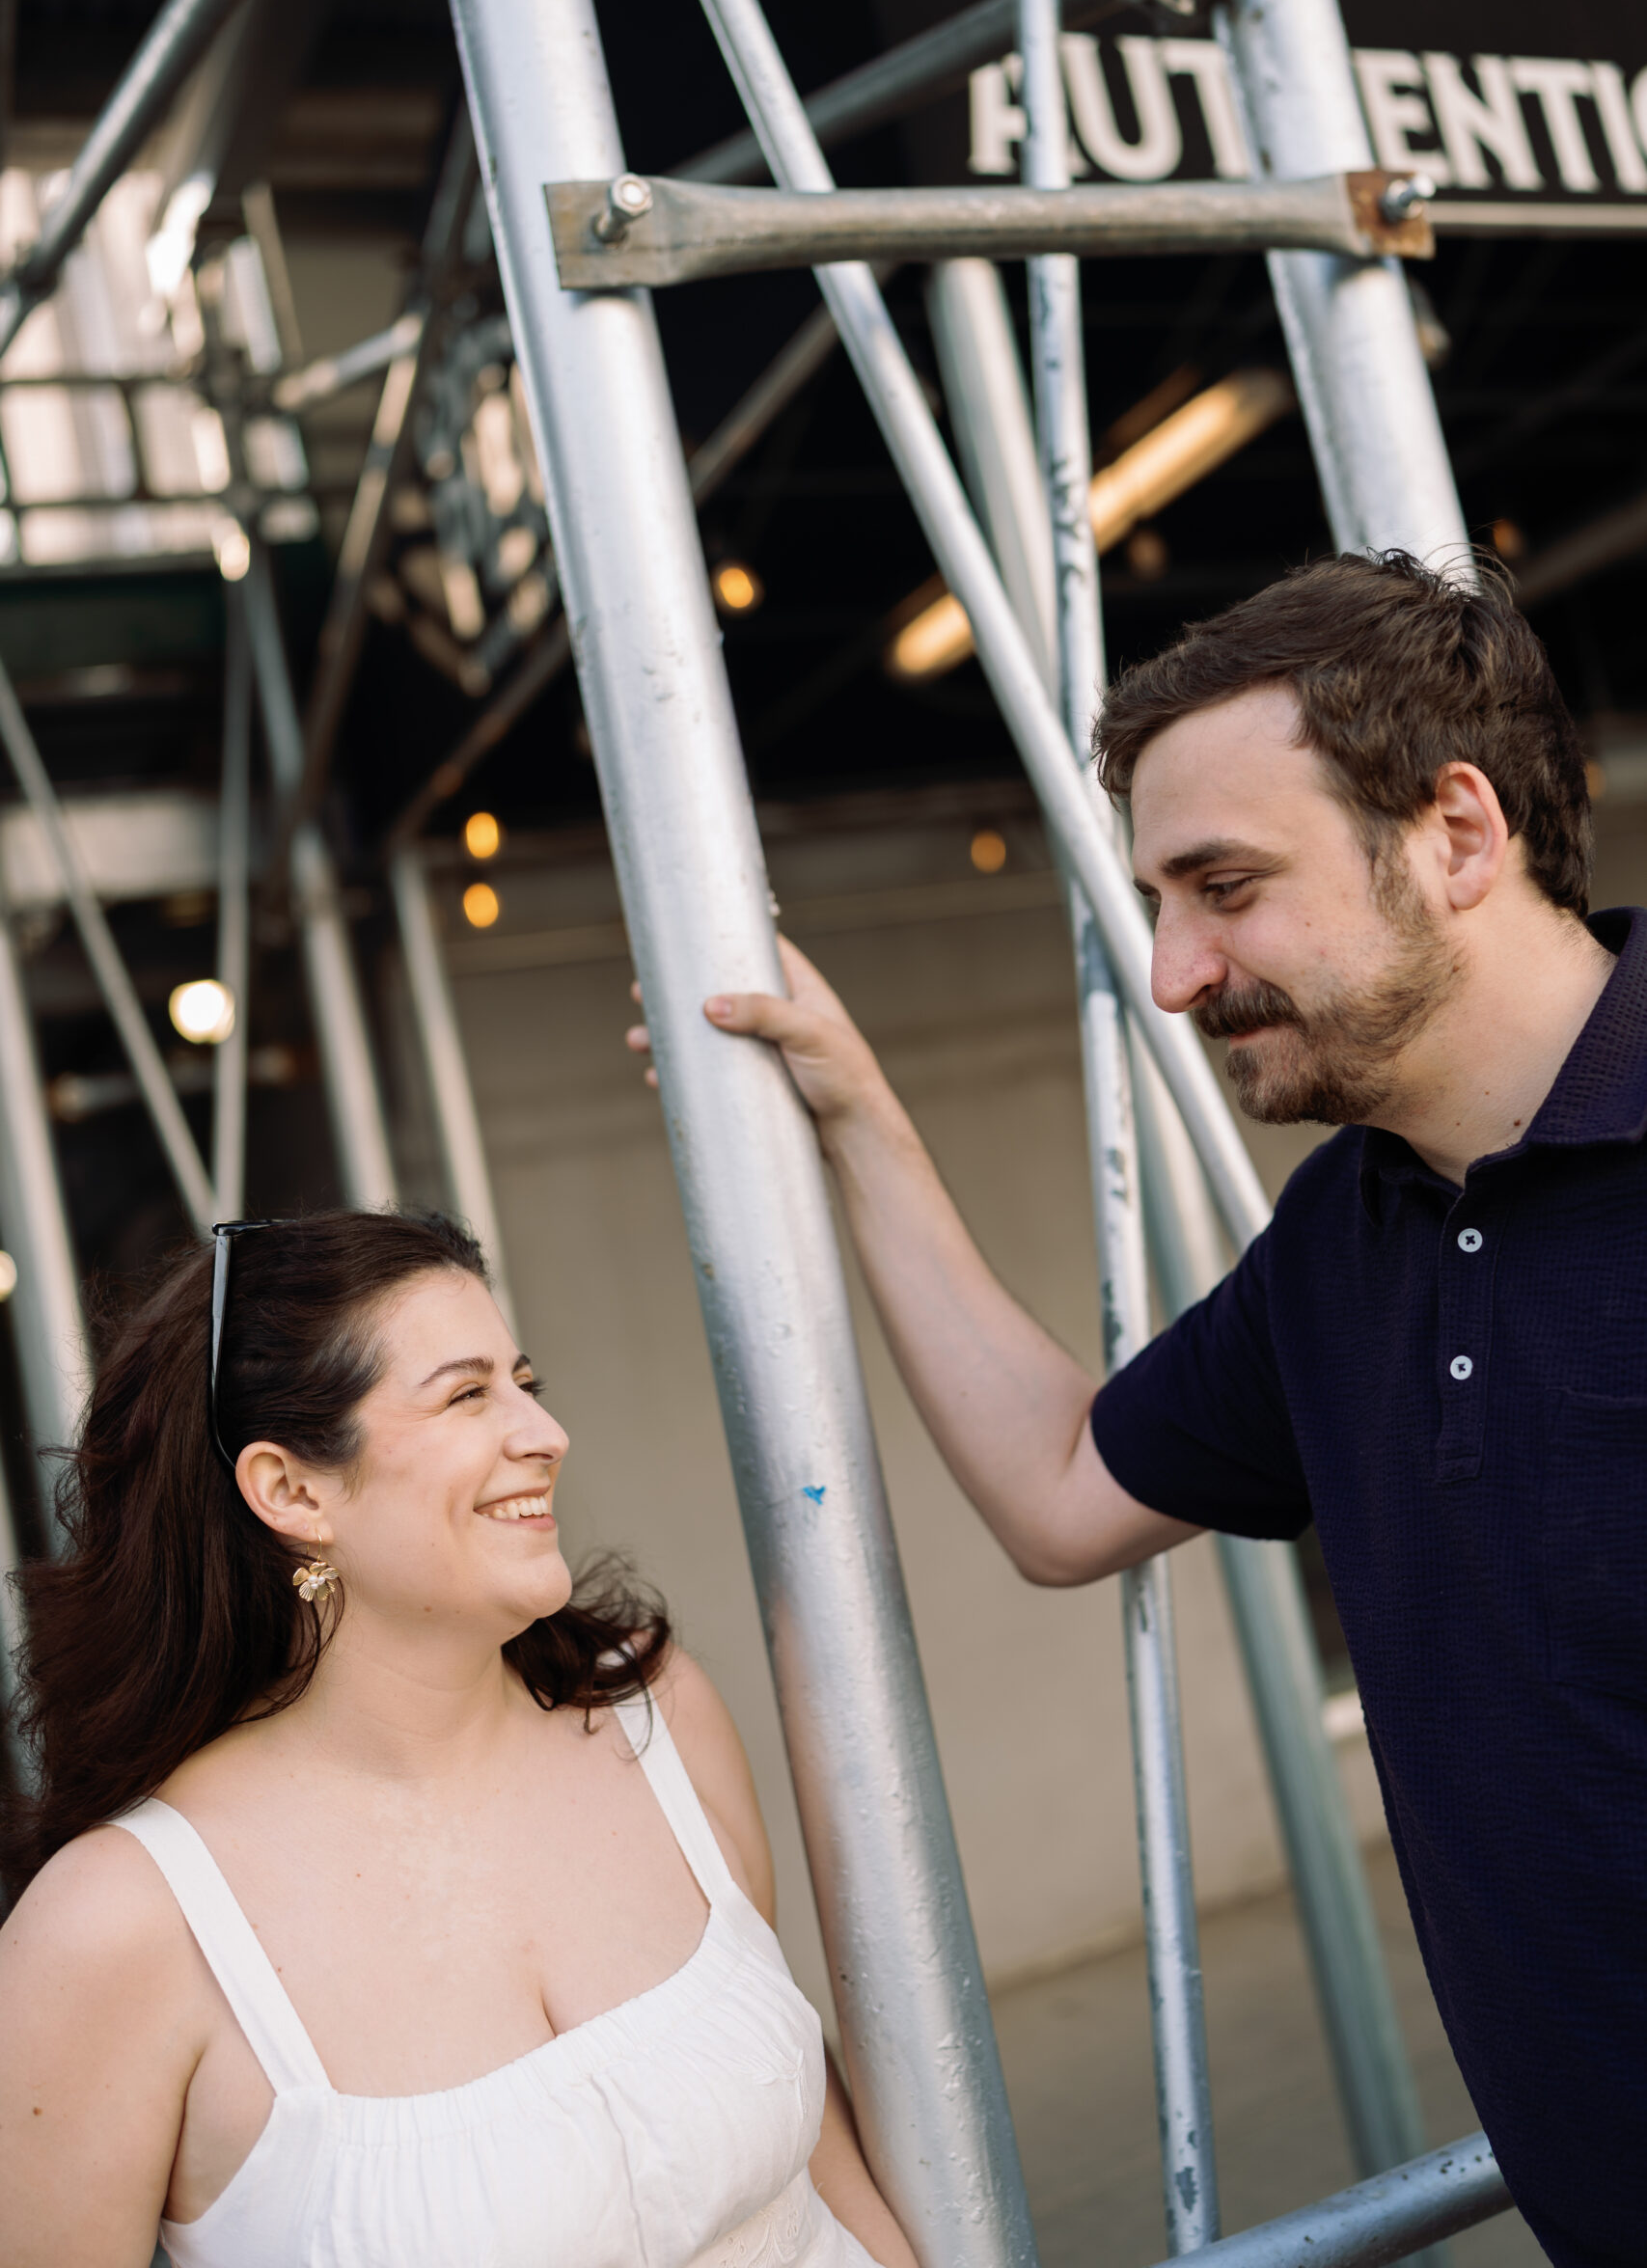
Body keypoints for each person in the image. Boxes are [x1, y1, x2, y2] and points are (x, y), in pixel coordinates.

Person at [633, 552, 1647, 2268]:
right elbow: (1058, 1488)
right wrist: (862, 1127)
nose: (1174, 975)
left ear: (1456, 834)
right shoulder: (1344, 1240)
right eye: (1158, 903)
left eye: (1224, 887)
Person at [0, 1210, 916, 2268]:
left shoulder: (652, 1712)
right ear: (291, 1490)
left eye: (525, 1382)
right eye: (467, 1395)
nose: (546, 1433)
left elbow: (815, 2148)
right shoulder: (118, 1925)